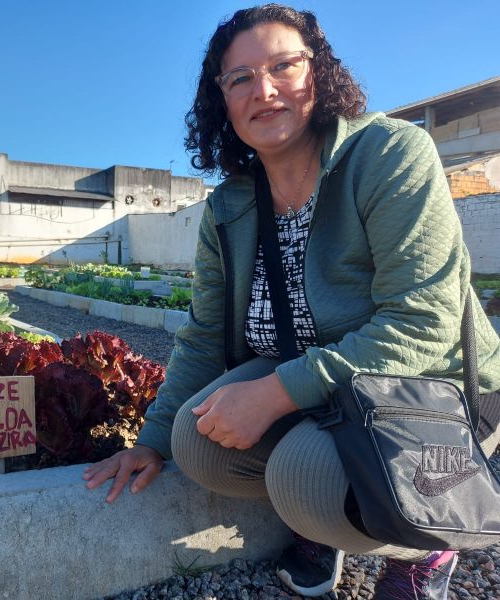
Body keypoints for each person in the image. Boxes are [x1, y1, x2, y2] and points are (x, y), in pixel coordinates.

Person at [83, 4, 500, 599]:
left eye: (285, 65)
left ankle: (424, 546)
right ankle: (332, 516)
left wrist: (273, 394)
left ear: (319, 73)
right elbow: (203, 334)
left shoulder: (389, 154)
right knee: (197, 441)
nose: (266, 89)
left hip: (429, 385)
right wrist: (149, 440)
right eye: (241, 78)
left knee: (303, 476)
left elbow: (423, 324)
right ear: (221, 100)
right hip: (329, 385)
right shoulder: (230, 205)